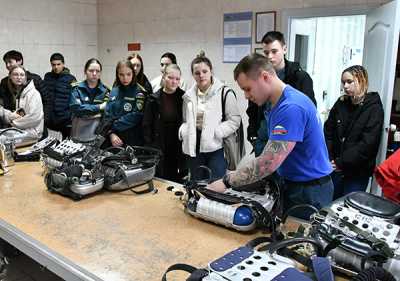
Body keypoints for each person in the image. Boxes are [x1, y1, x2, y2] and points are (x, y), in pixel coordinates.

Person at [208, 53, 333, 220]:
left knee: (298, 243)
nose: (246, 95)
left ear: (265, 77)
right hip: (292, 184)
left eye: (247, 88)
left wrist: (226, 181)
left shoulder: (291, 107)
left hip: (308, 192)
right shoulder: (275, 104)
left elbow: (268, 162)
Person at [247, 31, 316, 156]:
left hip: (287, 138)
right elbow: (252, 108)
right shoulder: (260, 77)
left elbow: (309, 111)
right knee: (262, 172)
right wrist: (252, 133)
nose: (269, 57)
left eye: (274, 51)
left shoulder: (300, 77)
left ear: (284, 49)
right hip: (263, 136)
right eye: (266, 52)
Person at [179, 52, 241, 182]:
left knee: (216, 185)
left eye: (204, 71)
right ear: (193, 75)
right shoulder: (188, 96)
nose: (201, 75)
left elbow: (235, 121)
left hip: (216, 147)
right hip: (194, 148)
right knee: (196, 185)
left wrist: (218, 131)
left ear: (211, 71)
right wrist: (183, 131)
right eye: (197, 73)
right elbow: (185, 120)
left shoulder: (225, 92)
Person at [324, 65, 384, 199]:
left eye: (349, 81)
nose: (345, 86)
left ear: (362, 80)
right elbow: (328, 132)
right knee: (330, 206)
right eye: (343, 82)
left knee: (349, 207)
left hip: (357, 172)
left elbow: (368, 144)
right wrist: (331, 158)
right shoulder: (340, 104)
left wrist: (341, 162)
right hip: (335, 168)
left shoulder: (374, 108)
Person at [143, 64, 185, 182]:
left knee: (177, 179)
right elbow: (147, 125)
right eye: (170, 78)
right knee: (161, 178)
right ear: (164, 77)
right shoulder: (153, 99)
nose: (174, 82)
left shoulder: (184, 97)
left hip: (177, 143)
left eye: (177, 79)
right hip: (159, 143)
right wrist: (151, 146)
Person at [0, 50, 49, 132]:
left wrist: (43, 120)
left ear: (20, 61)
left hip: (33, 126)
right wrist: (8, 117)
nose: (8, 65)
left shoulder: (35, 79)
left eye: (10, 62)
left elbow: (47, 101)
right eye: (6, 63)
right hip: (11, 126)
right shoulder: (4, 82)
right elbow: (2, 103)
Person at [103, 59, 146, 147]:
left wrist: (112, 127)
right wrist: (111, 134)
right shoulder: (114, 91)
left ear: (133, 74)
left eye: (128, 74)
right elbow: (107, 114)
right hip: (112, 138)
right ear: (117, 75)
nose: (125, 78)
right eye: (121, 75)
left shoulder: (139, 92)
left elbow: (136, 115)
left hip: (131, 138)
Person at [69, 58, 110, 141]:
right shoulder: (76, 89)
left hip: (98, 133)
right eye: (91, 71)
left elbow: (107, 112)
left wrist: (86, 110)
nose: (94, 74)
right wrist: (99, 107)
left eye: (97, 71)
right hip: (78, 133)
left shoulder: (106, 91)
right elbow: (77, 109)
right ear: (85, 71)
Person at [0, 65, 43, 139]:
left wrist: (12, 122)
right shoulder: (10, 91)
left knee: (3, 139)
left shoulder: (34, 93)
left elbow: (34, 117)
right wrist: (10, 116)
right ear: (10, 76)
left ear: (25, 77)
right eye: (15, 74)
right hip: (18, 130)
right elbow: (4, 110)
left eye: (22, 75)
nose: (19, 77)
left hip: (32, 132)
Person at [44, 53, 76, 139]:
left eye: (58, 64)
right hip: (50, 119)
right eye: (53, 65)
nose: (56, 67)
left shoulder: (71, 78)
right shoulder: (47, 77)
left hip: (65, 120)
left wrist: (70, 115)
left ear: (63, 64)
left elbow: (75, 98)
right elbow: (45, 96)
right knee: (51, 146)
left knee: (66, 145)